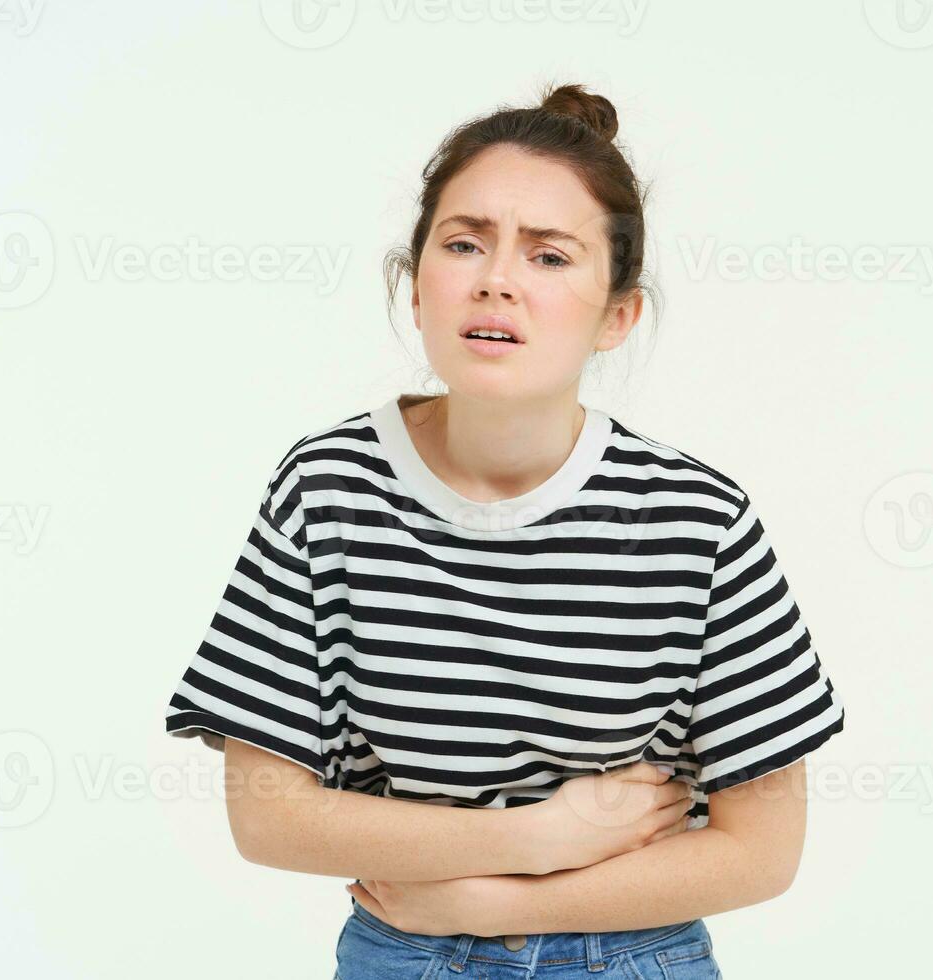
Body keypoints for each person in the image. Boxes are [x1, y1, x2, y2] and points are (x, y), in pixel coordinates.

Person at [161, 83, 845, 979]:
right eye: (463, 243)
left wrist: (501, 900)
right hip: (404, 953)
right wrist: (537, 834)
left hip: (632, 957)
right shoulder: (327, 490)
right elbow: (267, 815)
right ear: (415, 288)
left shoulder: (697, 520)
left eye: (550, 256)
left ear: (617, 315)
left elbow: (764, 852)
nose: (496, 277)